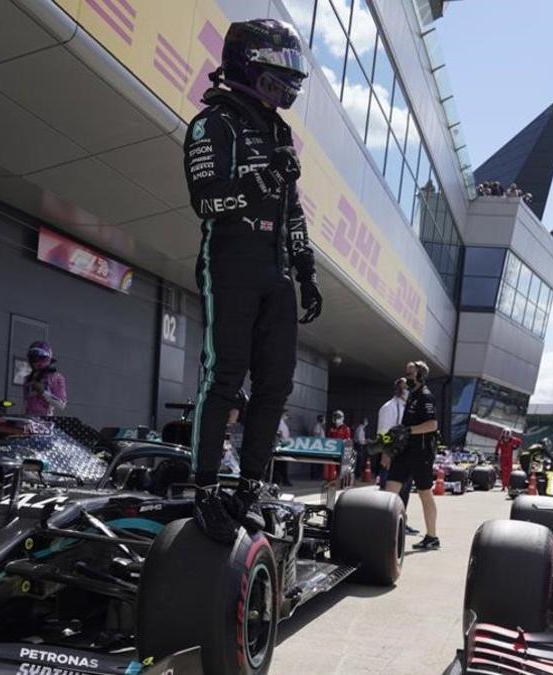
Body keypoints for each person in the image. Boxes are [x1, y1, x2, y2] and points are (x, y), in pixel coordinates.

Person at [183, 18, 322, 544]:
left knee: (275, 386)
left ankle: (251, 487)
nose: (289, 82)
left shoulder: (279, 132)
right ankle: (204, 487)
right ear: (250, 63)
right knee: (223, 378)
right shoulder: (212, 123)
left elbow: (292, 211)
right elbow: (206, 200)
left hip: (276, 268)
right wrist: (263, 177)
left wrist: (305, 270)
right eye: (280, 70)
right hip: (231, 259)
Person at [385, 360, 440, 550]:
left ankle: (432, 537)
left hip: (421, 453)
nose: (406, 377)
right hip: (404, 452)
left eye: (410, 374)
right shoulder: (411, 396)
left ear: (420, 376)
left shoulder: (425, 397)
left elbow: (432, 425)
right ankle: (382, 531)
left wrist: (407, 430)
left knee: (425, 493)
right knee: (389, 490)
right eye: (406, 373)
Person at [376, 378, 416, 531]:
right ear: (400, 389)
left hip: (407, 456)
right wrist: (386, 454)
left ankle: (401, 522)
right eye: (407, 388)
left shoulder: (408, 408)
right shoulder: (389, 407)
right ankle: (385, 524)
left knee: (405, 491)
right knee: (390, 493)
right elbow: (383, 433)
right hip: (393, 456)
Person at [23, 341, 68, 417]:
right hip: (29, 421)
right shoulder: (28, 379)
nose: (36, 363)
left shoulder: (55, 378)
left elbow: (61, 404)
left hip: (45, 421)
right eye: (33, 360)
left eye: (39, 359)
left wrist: (43, 392)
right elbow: (25, 403)